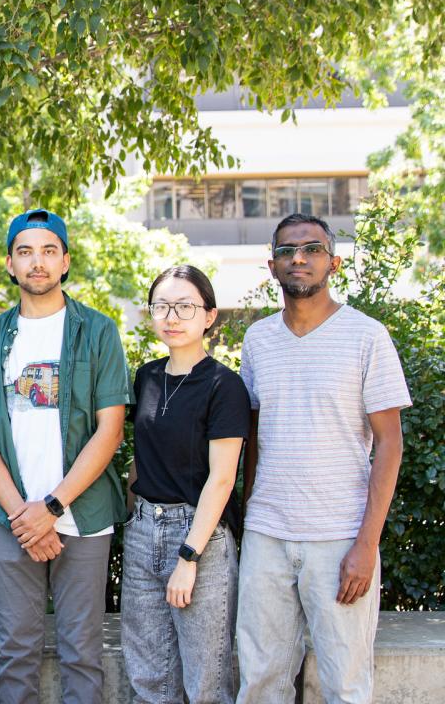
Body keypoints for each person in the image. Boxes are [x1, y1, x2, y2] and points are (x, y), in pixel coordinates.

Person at [235, 214, 411, 704]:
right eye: (287, 251)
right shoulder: (258, 340)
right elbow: (253, 436)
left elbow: (390, 444)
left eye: (312, 249)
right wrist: (249, 514)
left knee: (346, 686)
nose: (299, 258)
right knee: (259, 683)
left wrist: (366, 545)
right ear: (272, 266)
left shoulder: (367, 336)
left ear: (333, 263)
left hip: (340, 538)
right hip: (266, 535)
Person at [0, 209, 131, 704]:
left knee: (82, 653)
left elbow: (110, 431)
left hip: (84, 515)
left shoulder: (97, 331)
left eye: (49, 251)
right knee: (16, 653)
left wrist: (51, 508)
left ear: (65, 261)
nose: (37, 262)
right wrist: (24, 516)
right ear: (10, 264)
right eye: (26, 252)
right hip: (13, 518)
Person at [120, 265, 250, 704]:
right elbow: (141, 458)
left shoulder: (224, 386)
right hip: (143, 531)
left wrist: (189, 556)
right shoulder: (146, 377)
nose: (171, 317)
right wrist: (134, 519)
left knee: (206, 681)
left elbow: (222, 478)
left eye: (184, 307)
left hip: (200, 537)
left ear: (209, 316)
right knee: (148, 678)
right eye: (162, 306)